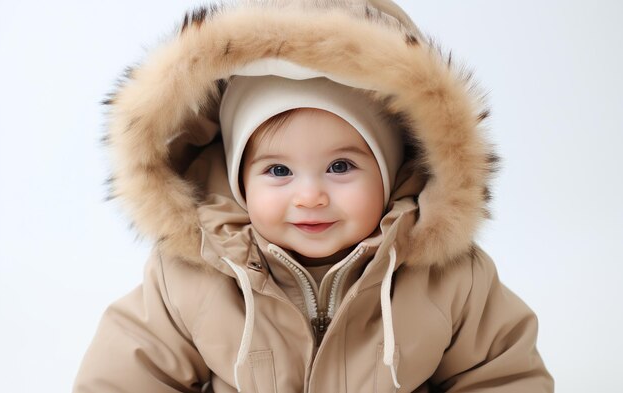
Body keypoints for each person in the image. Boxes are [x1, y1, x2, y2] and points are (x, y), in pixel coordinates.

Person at [74, 1, 554, 392]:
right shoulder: (190, 277)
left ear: (391, 173)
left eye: (341, 167)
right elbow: (129, 375)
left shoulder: (450, 279)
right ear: (239, 181)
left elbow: (502, 374)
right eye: (278, 170)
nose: (310, 196)